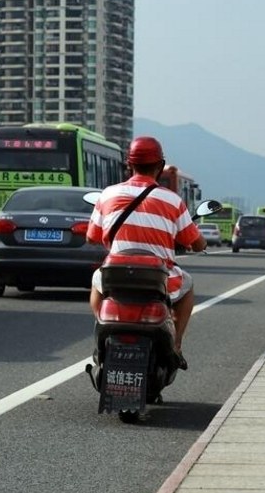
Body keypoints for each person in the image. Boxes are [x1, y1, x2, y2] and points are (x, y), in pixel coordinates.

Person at [86, 136, 207, 370]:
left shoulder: (108, 194)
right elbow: (194, 242)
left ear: (129, 165)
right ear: (159, 166)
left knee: (96, 283)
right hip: (157, 279)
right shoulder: (172, 200)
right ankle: (177, 344)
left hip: (116, 276)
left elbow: (92, 236)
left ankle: (102, 331)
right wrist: (199, 243)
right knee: (188, 286)